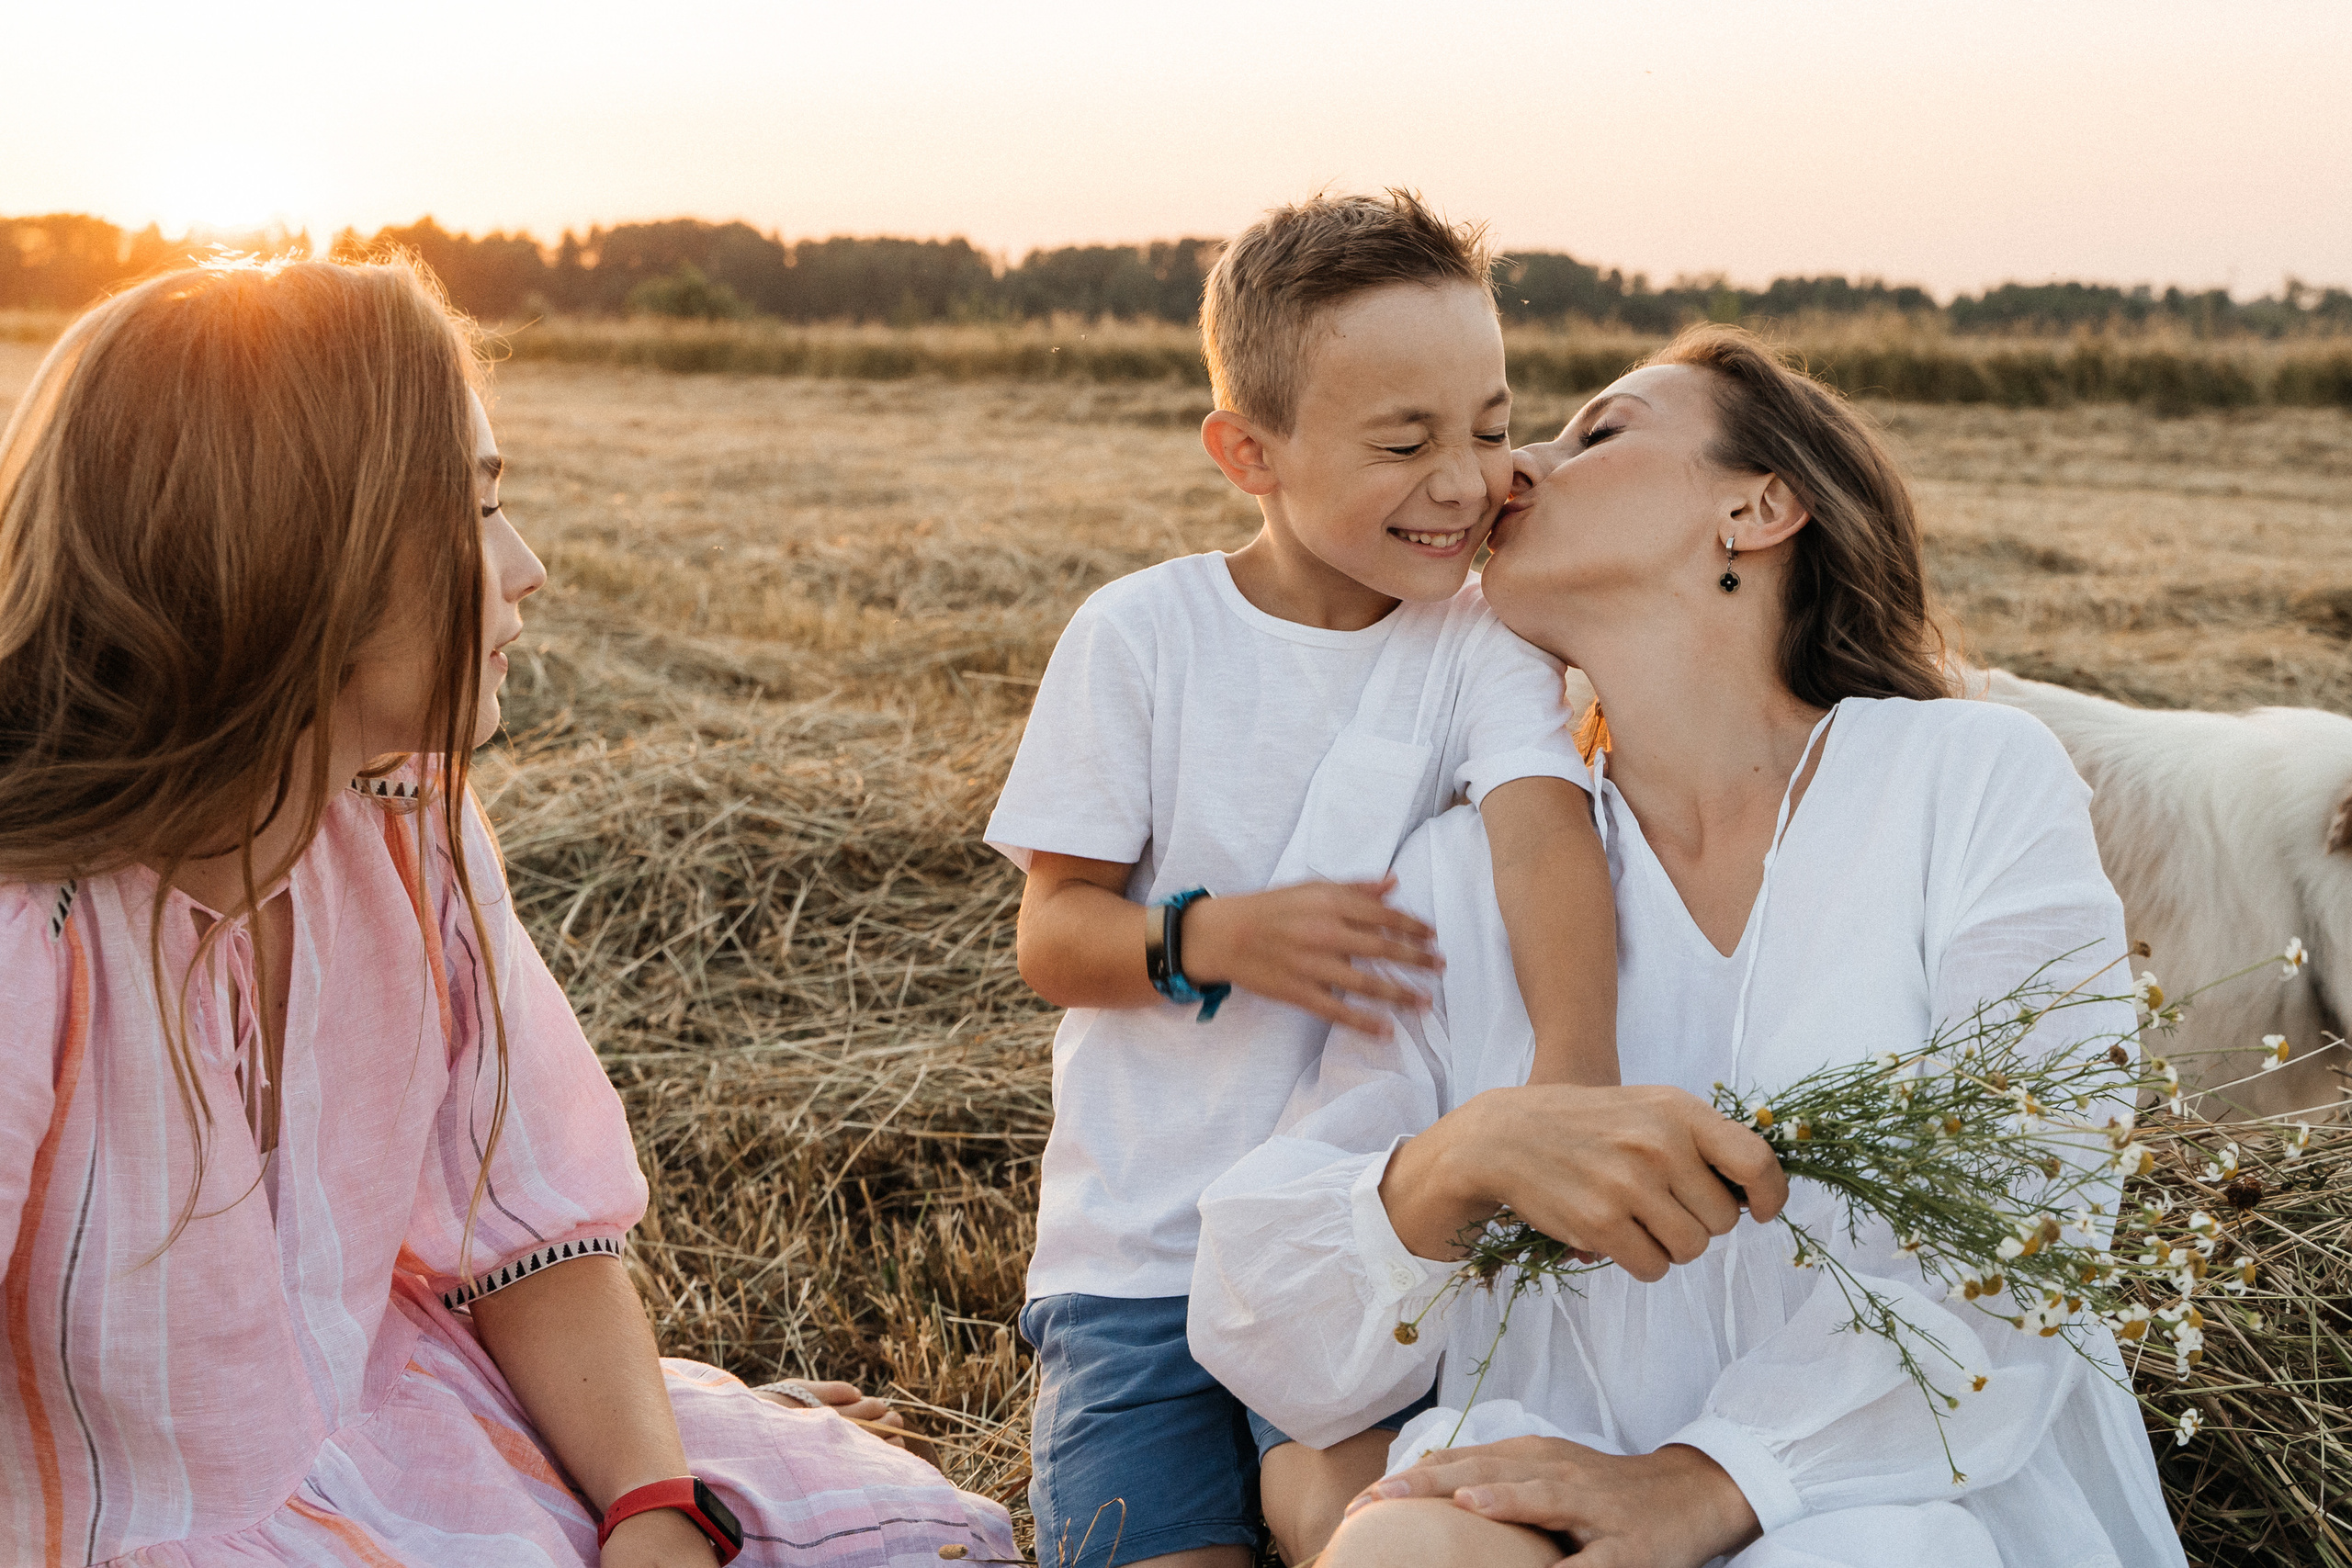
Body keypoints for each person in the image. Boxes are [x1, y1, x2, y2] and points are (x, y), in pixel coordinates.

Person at [0, 257, 1016, 1568]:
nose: (526, 569)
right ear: (299, 553)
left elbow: (533, 1240)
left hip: (382, 1428)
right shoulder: (30, 936)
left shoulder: (404, 823)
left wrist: (651, 1505)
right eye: (477, 510)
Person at [1189, 326, 2188, 1567]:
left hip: (1901, 1498)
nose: (1513, 469)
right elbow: (1265, 1328)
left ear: (1757, 508)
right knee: (1409, 1552)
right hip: (1558, 1474)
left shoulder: (1971, 777)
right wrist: (1459, 1159)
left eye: (1599, 430)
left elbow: (2030, 1220)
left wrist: (1709, 1479)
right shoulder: (1456, 872)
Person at [985, 191, 1620, 1568]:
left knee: (1368, 1526)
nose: (1463, 482)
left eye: (1492, 430)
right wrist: (1212, 938)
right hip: (1138, 1260)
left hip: (1350, 1235)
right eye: (1404, 442)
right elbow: (1053, 935)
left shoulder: (1481, 642)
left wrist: (1574, 1069)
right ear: (1248, 452)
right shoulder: (1142, 636)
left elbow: (1543, 833)